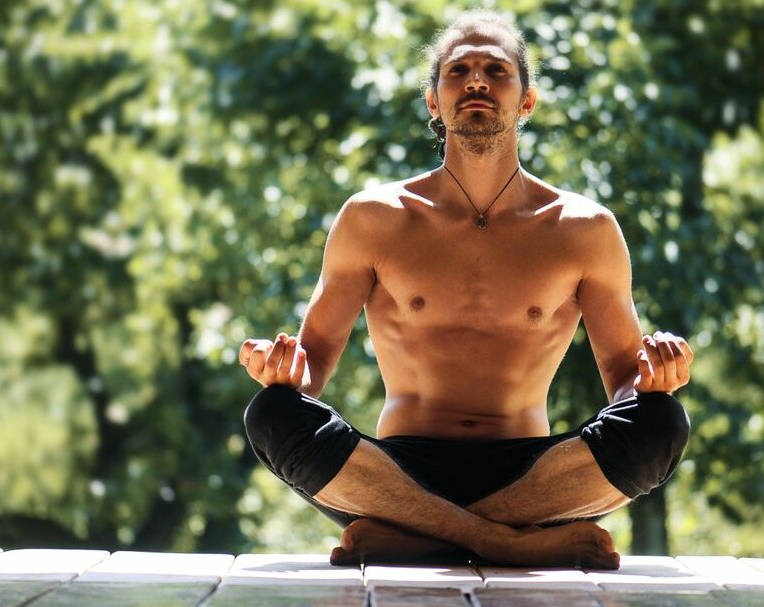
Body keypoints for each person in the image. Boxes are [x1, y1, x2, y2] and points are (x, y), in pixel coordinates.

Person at [238, 10, 693, 570]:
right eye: (459, 71)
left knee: (662, 422)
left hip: (534, 472)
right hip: (397, 469)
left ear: (526, 100)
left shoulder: (584, 229)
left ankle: (422, 535)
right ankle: (505, 541)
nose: (476, 80)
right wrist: (282, 370)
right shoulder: (373, 218)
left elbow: (626, 383)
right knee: (272, 414)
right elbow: (313, 367)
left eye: (496, 70)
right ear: (434, 100)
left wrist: (655, 378)